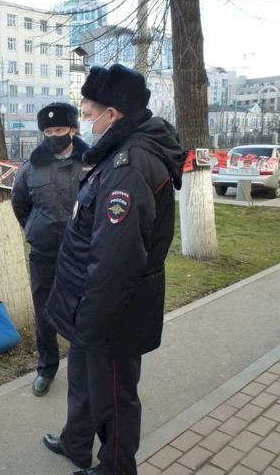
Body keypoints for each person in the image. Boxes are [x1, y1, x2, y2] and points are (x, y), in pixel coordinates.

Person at [42, 64, 186, 474]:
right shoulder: (118, 154)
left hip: (111, 312)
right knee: (84, 381)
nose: (85, 116)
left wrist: (90, 319)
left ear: (113, 113)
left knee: (114, 397)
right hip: (92, 303)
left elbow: (116, 260)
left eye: (90, 109)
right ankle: (76, 442)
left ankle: (116, 467)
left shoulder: (130, 166)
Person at [11, 102, 89, 397]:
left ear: (73, 129)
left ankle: (84, 366)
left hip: (82, 252)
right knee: (44, 312)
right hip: (44, 253)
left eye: (59, 129)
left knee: (83, 310)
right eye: (48, 131)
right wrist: (36, 229)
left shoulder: (91, 163)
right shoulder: (30, 167)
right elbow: (20, 204)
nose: (54, 135)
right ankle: (47, 368)